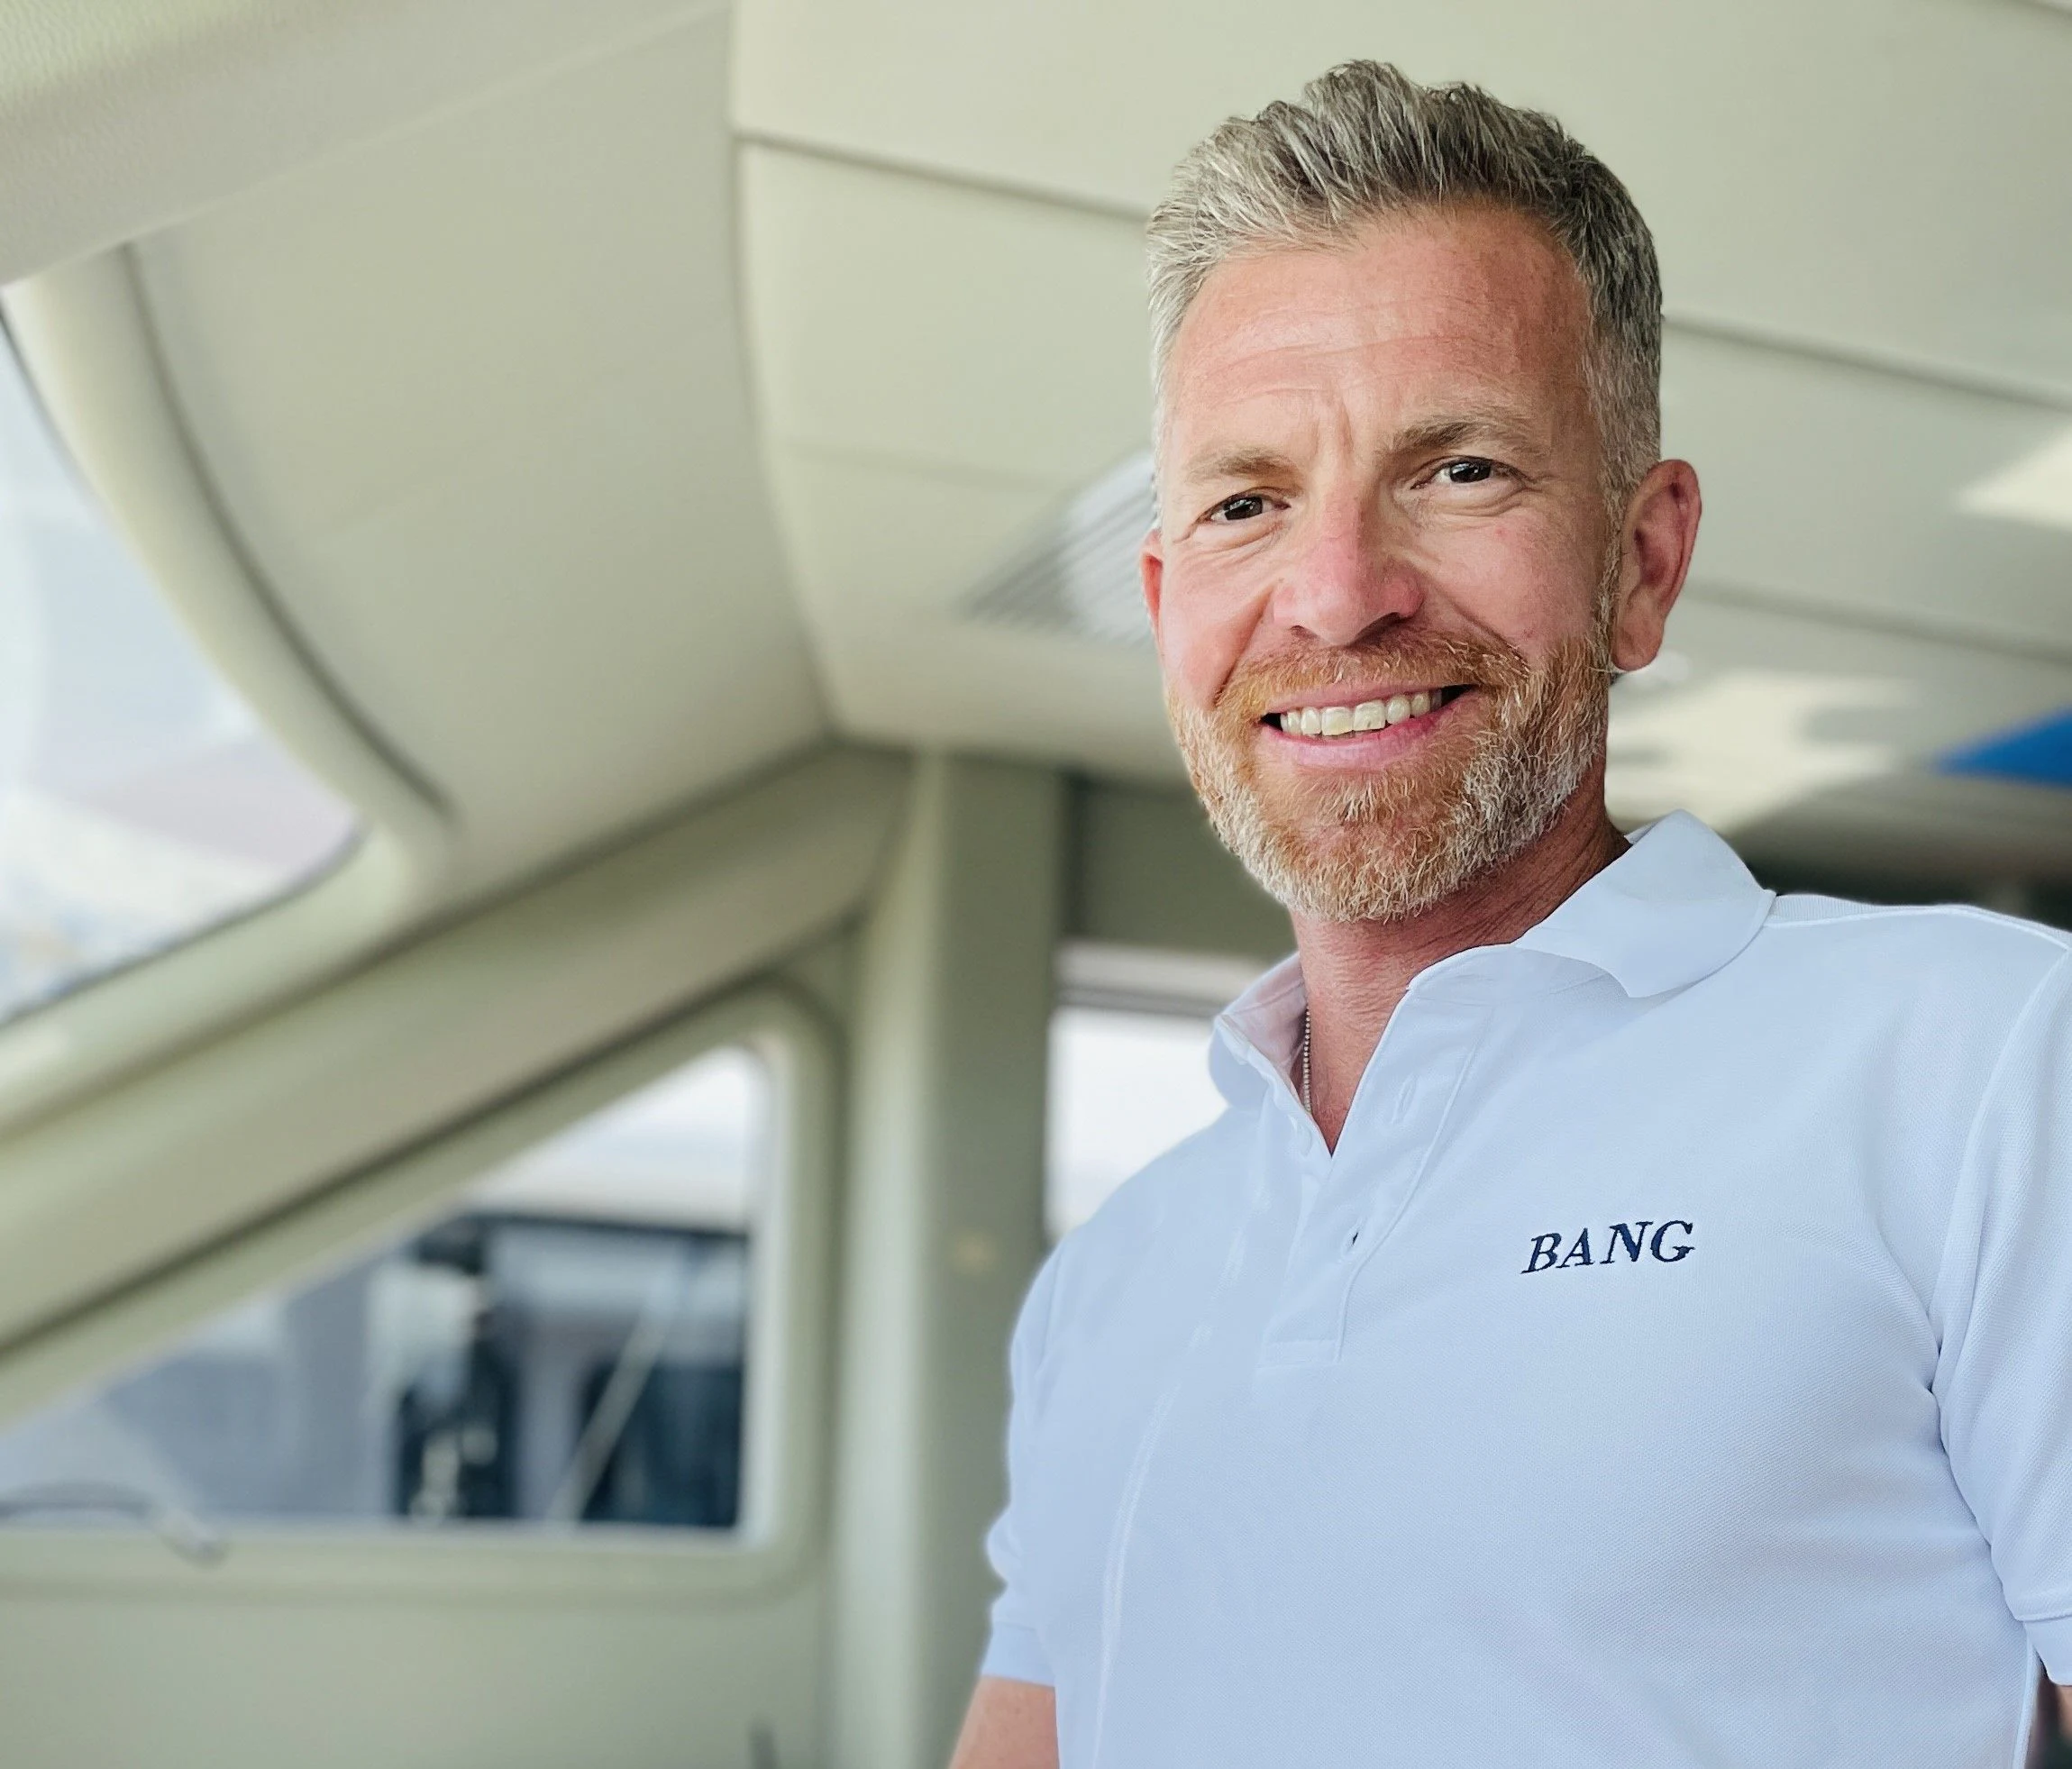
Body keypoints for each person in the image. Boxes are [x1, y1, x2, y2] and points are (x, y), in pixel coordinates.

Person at [950, 59, 2072, 1769]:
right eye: (1247, 501)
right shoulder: (1112, 1278)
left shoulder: (1987, 1066)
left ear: (1640, 560)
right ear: (1168, 601)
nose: (1334, 594)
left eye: (1458, 470)